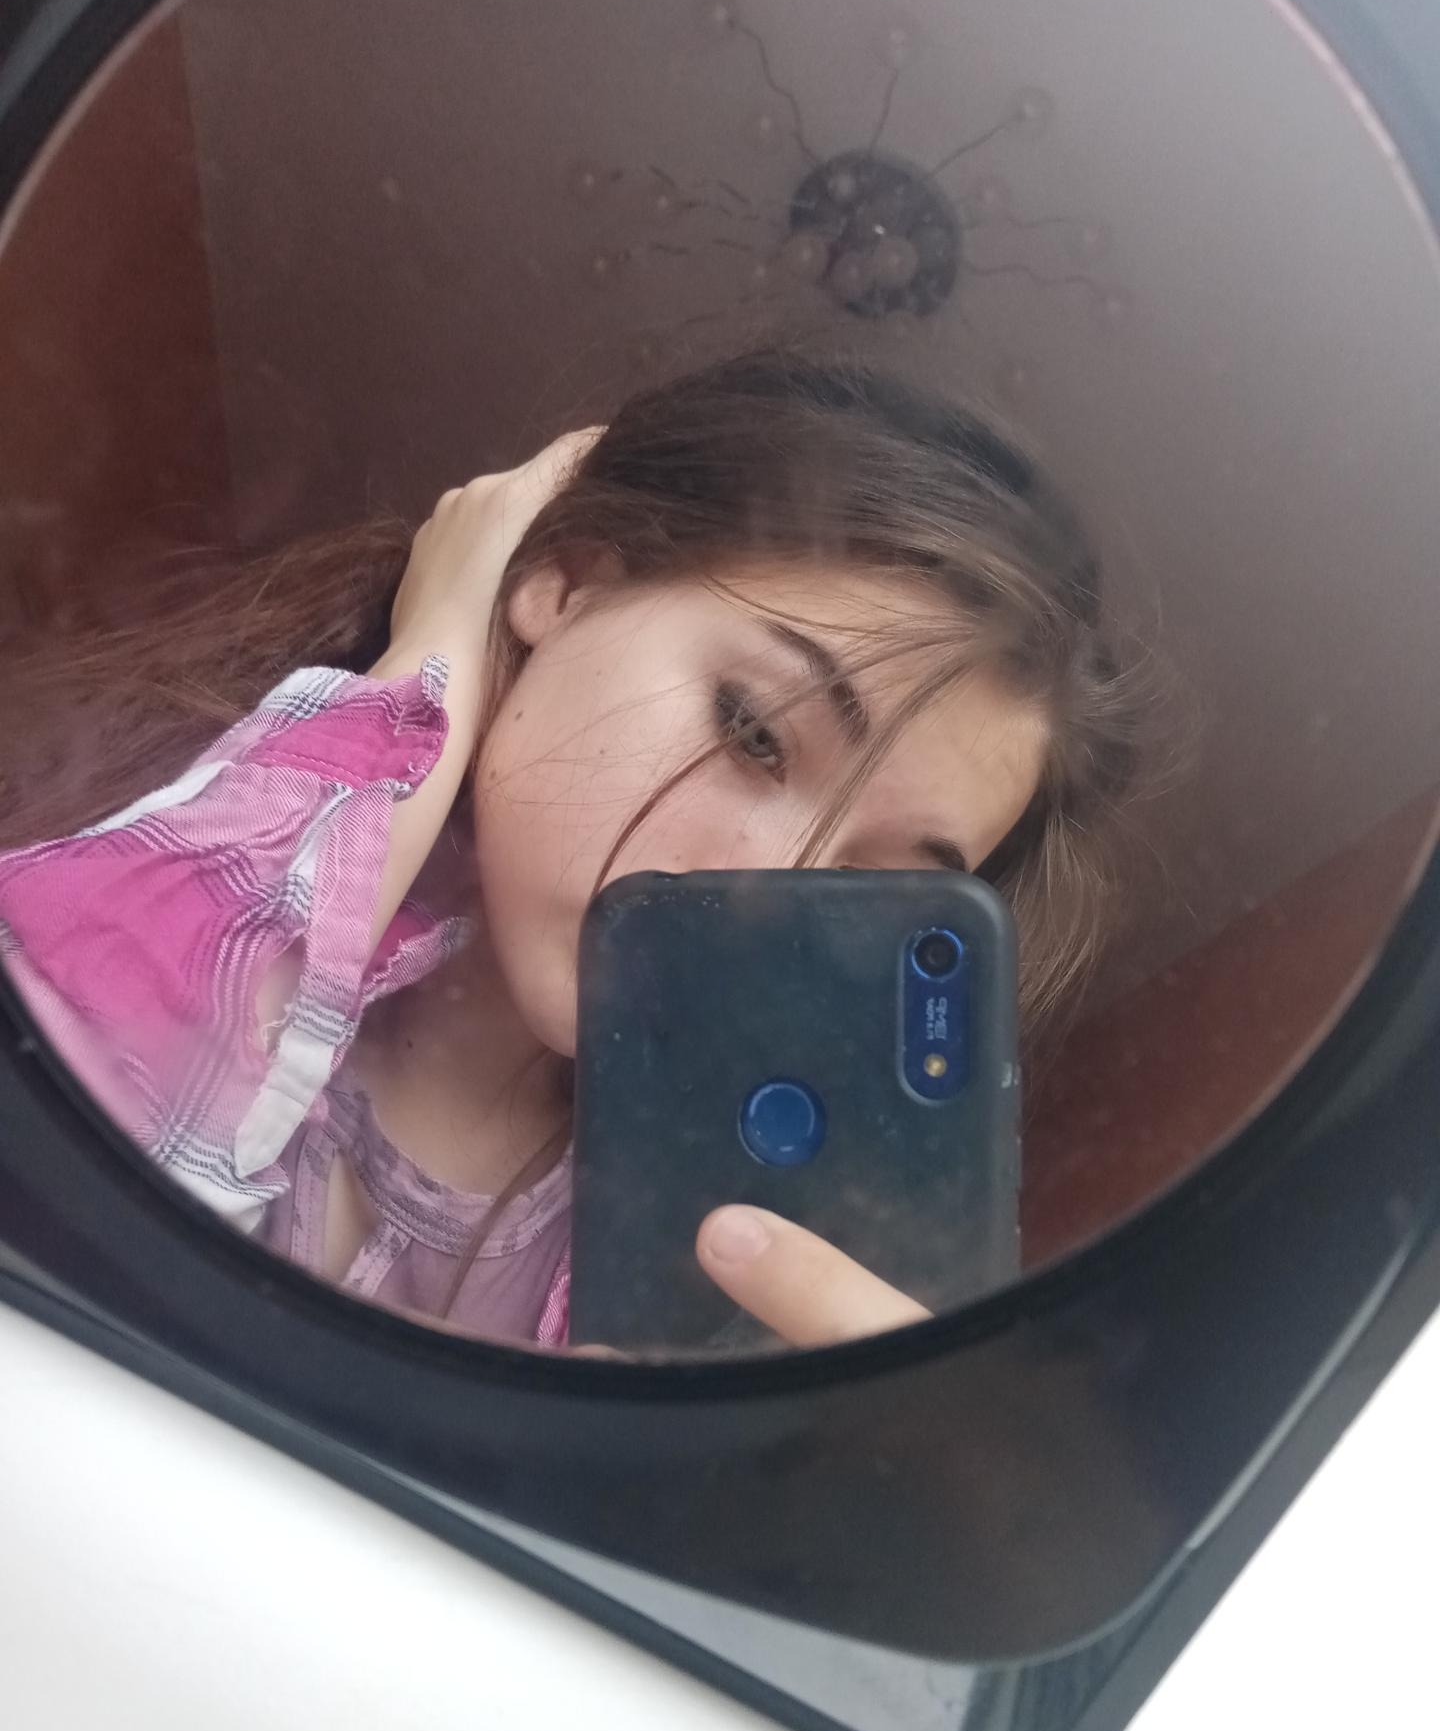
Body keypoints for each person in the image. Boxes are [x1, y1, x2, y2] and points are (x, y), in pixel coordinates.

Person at [0, 351, 1147, 1352]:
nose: (770, 892)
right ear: (569, 584)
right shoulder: (145, 833)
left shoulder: (726, 1256)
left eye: (873, 884)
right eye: (754, 730)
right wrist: (430, 665)